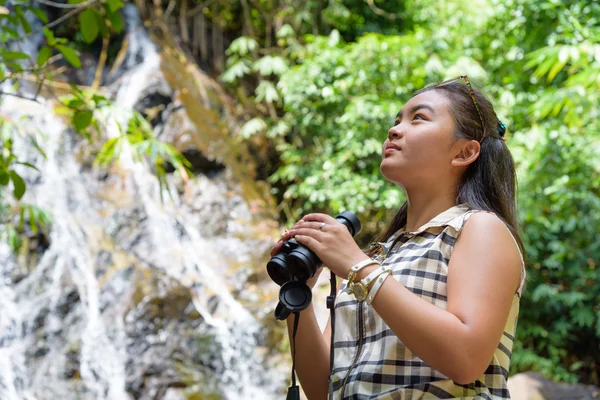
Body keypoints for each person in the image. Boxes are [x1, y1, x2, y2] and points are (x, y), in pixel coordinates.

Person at [271, 75, 526, 399]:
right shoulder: (376, 257)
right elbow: (324, 389)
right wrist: (300, 296)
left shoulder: (479, 228)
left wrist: (357, 266)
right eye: (396, 121)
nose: (394, 130)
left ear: (464, 152)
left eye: (418, 118)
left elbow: (466, 357)